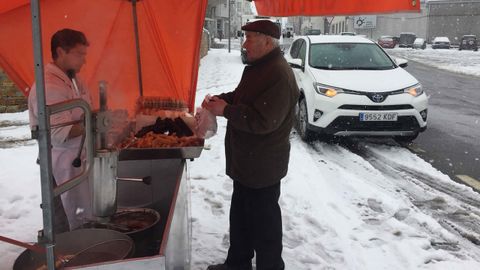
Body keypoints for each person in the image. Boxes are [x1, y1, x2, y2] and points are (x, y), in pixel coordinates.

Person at [203, 20, 299, 270]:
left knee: (264, 224)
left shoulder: (278, 73)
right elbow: (241, 97)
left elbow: (263, 121)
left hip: (263, 165)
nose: (244, 44)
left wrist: (226, 111)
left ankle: (270, 267)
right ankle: (238, 263)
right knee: (242, 218)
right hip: (247, 162)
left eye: (249, 38)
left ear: (267, 41)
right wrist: (220, 100)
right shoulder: (258, 68)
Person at [28, 28, 92, 233]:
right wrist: (95, 123)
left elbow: (84, 111)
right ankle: (63, 259)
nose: (84, 60)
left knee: (82, 214)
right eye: (79, 54)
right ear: (61, 51)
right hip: (59, 163)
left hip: (76, 158)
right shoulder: (49, 86)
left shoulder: (72, 79)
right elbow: (58, 133)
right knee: (64, 222)